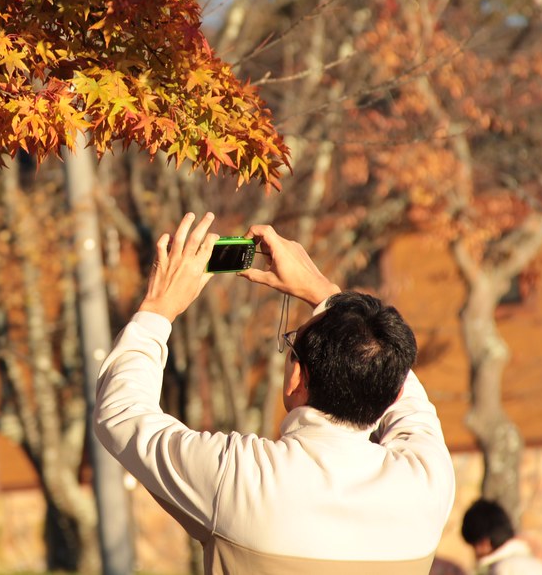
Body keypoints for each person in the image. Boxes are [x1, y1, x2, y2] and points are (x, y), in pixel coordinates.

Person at [94, 213, 456, 574]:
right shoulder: (426, 484)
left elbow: (122, 416)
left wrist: (158, 308)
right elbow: (400, 386)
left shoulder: (239, 478)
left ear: (297, 377)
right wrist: (327, 295)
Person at [460, 498, 542, 575]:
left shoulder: (504, 569)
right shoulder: (531, 564)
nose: (474, 554)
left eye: (473, 546)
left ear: (484, 544)